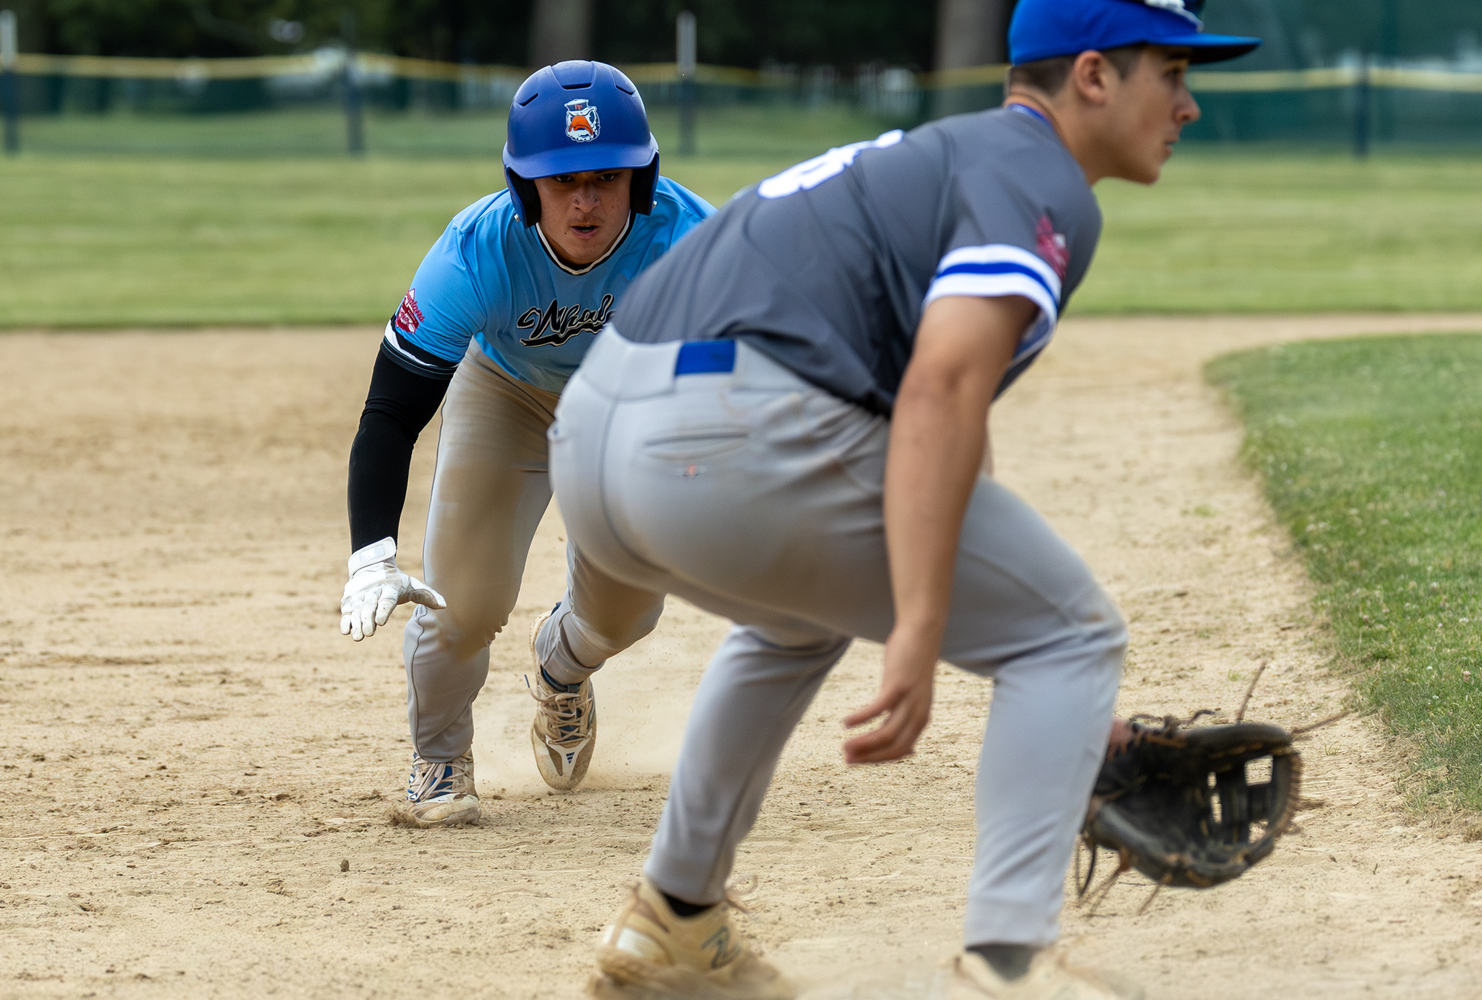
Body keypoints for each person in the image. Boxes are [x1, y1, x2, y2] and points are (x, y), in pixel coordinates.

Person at [548, 0, 1259, 996]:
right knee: (1068, 635)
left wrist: (1035, 683)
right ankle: (1008, 963)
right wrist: (922, 623)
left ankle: (674, 917)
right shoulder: (1045, 182)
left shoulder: (937, 155)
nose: (1186, 105)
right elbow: (940, 392)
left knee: (801, 619)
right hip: (728, 444)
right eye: (1172, 74)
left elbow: (950, 425)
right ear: (1093, 76)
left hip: (593, 445)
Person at [338, 60, 714, 827]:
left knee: (628, 613)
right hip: (507, 395)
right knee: (462, 604)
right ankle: (441, 758)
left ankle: (561, 665)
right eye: (562, 178)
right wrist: (371, 552)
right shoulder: (476, 252)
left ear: (640, 182)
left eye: (607, 177)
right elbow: (390, 411)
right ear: (524, 187)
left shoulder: (692, 241)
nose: (585, 200)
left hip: (626, 406)